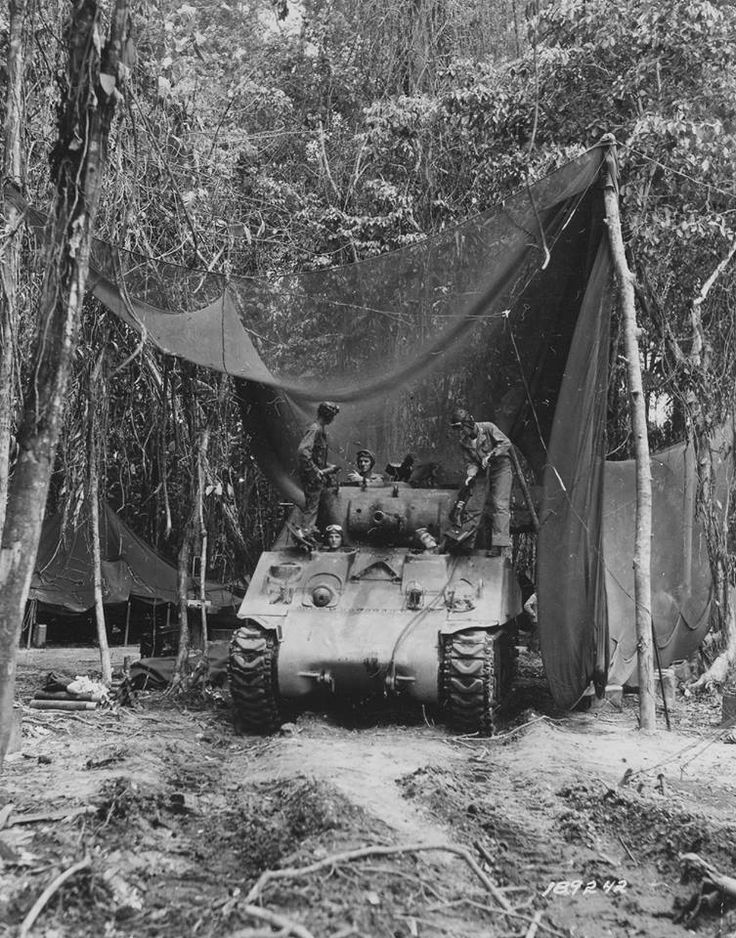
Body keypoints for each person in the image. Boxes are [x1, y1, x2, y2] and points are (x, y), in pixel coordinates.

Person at [448, 406, 513, 553]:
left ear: (468, 423)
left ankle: (499, 546)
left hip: (501, 468)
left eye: (461, 428)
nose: (461, 432)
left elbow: (506, 443)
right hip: (483, 471)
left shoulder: (488, 428)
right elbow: (470, 462)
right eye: (457, 429)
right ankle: (466, 544)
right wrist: (470, 475)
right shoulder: (464, 442)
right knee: (474, 505)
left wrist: (491, 455)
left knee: (500, 504)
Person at [296, 401, 340, 536]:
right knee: (312, 507)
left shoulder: (320, 429)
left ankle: (311, 531)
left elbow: (316, 457)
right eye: (332, 415)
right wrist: (316, 471)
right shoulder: (315, 429)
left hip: (317, 476)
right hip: (312, 477)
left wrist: (328, 467)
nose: (333, 419)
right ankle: (305, 534)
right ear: (328, 415)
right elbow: (303, 452)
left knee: (318, 504)